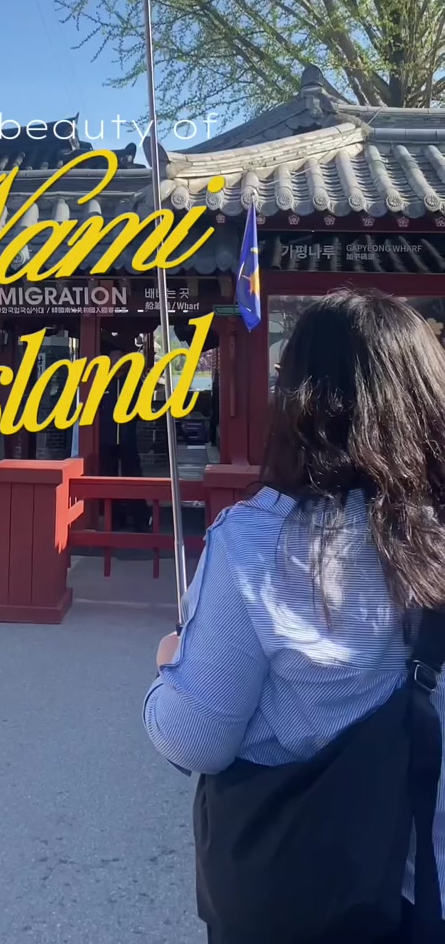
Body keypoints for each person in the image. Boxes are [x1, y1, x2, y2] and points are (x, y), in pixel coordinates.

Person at [143, 290, 445, 943]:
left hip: (308, 890)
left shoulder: (256, 541)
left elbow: (197, 738)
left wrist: (169, 667)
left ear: (302, 403)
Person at [98, 345, 150, 532]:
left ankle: (140, 519)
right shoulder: (102, 382)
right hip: (106, 439)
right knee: (108, 478)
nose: (116, 362)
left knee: (133, 477)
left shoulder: (133, 381)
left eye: (120, 359)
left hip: (128, 438)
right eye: (113, 359)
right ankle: (114, 519)